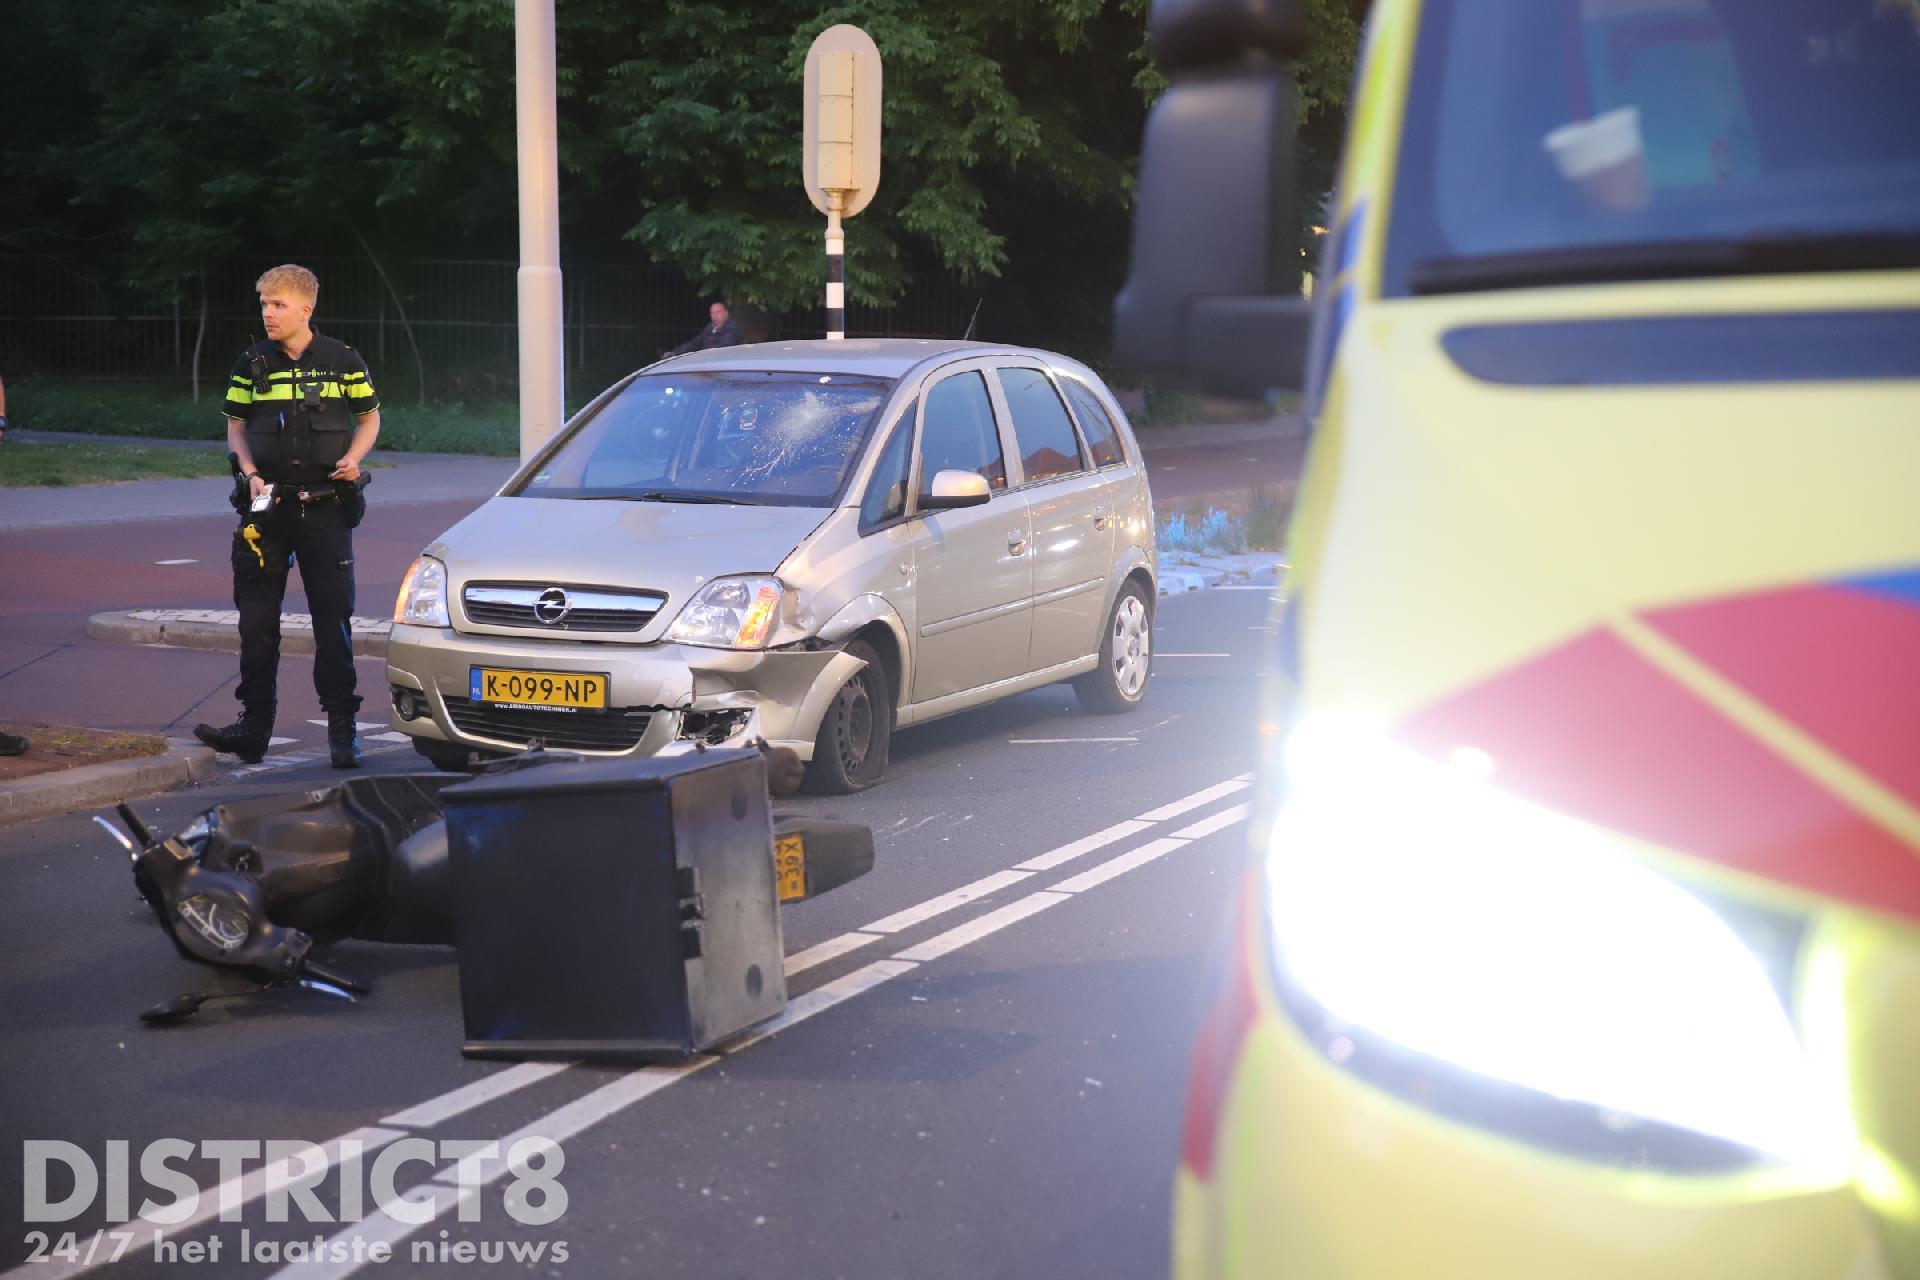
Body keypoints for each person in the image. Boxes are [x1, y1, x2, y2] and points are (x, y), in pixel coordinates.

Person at [193, 265, 380, 769]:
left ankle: (343, 731)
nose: (268, 313)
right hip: (266, 511)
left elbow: (370, 416)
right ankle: (254, 729)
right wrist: (249, 471)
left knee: (331, 623)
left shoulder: (342, 360)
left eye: (277, 304)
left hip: (324, 509)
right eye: (264, 304)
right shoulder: (251, 361)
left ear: (305, 309)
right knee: (256, 624)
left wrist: (355, 458)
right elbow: (235, 426)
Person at [663, 301, 742, 358]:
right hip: (706, 361)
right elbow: (695, 343)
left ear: (726, 313)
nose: (715, 315)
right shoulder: (709, 328)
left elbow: (724, 346)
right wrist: (675, 352)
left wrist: (701, 353)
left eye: (718, 312)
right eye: (712, 313)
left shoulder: (732, 327)